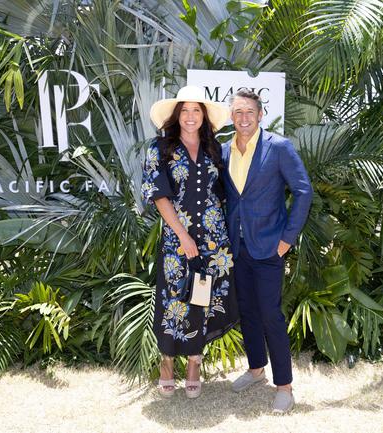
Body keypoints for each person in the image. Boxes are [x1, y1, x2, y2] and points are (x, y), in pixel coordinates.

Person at [141, 85, 239, 399]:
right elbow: (159, 195)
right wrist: (183, 236)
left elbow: (227, 193)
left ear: (205, 116)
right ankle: (167, 362)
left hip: (213, 242)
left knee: (202, 301)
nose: (190, 116)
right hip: (177, 241)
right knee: (173, 300)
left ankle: (195, 363)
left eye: (197, 110)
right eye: (185, 110)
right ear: (176, 114)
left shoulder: (216, 150)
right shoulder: (160, 148)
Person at [222, 89, 312, 413]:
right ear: (231, 117)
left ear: (260, 115)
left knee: (271, 315)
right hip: (238, 248)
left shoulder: (279, 147)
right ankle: (256, 369)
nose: (243, 118)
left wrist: (287, 238)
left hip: (270, 248)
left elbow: (303, 191)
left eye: (249, 112)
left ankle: (285, 386)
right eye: (237, 112)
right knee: (247, 311)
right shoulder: (224, 151)